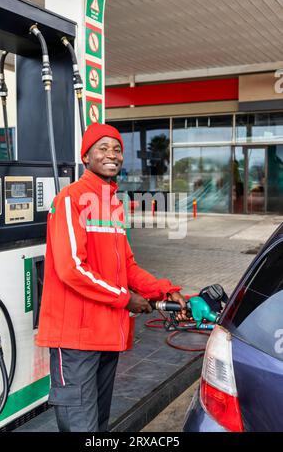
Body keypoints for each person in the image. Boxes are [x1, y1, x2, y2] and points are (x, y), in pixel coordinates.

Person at [36, 123, 187, 432]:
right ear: (86, 157)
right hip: (76, 339)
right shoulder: (70, 199)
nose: (112, 155)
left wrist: (162, 290)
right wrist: (125, 298)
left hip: (106, 335)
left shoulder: (113, 206)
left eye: (117, 149)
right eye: (102, 148)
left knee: (98, 426)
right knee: (81, 426)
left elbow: (127, 267)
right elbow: (71, 268)